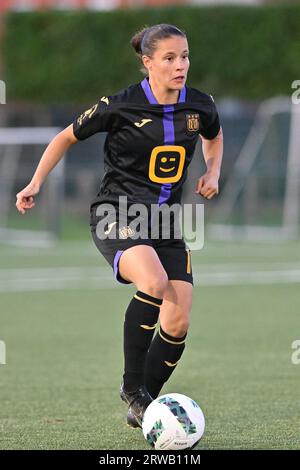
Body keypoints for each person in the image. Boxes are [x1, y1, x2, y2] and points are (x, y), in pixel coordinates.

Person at [16, 24, 223, 429]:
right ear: (148, 63)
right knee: (154, 281)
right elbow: (65, 137)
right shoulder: (120, 105)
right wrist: (36, 182)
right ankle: (134, 390)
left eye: (184, 56)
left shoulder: (201, 106)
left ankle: (144, 407)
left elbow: (214, 136)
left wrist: (213, 172)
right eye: (169, 58)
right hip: (116, 214)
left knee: (178, 320)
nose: (180, 65)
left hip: (165, 221)